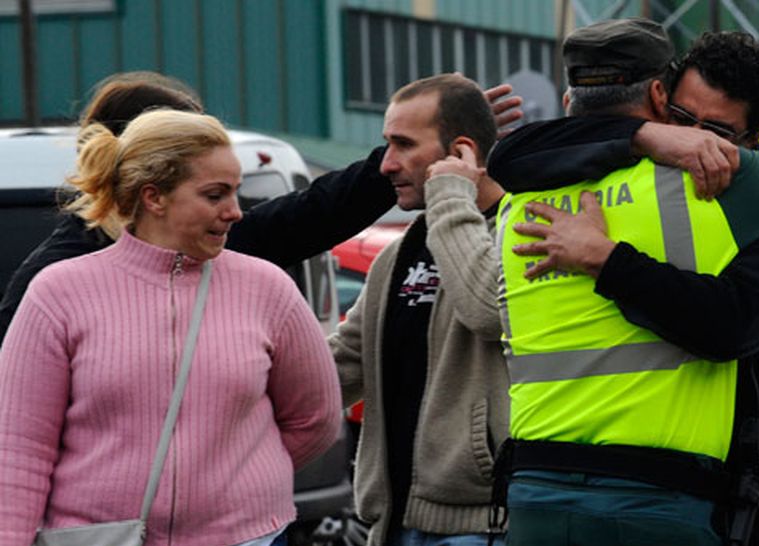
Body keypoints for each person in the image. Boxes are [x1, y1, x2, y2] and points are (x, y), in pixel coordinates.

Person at [489, 18, 759, 546]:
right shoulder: (614, 172)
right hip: (670, 494)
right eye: (683, 120)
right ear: (660, 98)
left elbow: (733, 324)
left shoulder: (756, 194)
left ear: (757, 136)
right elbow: (508, 156)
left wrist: (609, 260)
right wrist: (645, 137)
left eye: (718, 132)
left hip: (756, 483)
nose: (697, 143)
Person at [0, 109, 342, 546]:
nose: (236, 211)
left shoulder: (268, 288)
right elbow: (18, 452)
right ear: (153, 197)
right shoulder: (57, 292)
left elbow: (315, 418)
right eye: (215, 194)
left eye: (236, 191)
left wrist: (238, 481)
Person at [0, 71, 523, 345]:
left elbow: (308, 216)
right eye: (212, 190)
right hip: (97, 538)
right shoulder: (57, 280)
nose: (231, 212)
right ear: (151, 188)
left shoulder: (207, 247)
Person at [327, 73, 508, 546]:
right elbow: (342, 364)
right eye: (387, 144)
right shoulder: (398, 254)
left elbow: (487, 309)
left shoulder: (522, 227)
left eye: (403, 145)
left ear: (462, 151)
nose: (386, 164)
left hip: (486, 530)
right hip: (402, 528)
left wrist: (452, 197)